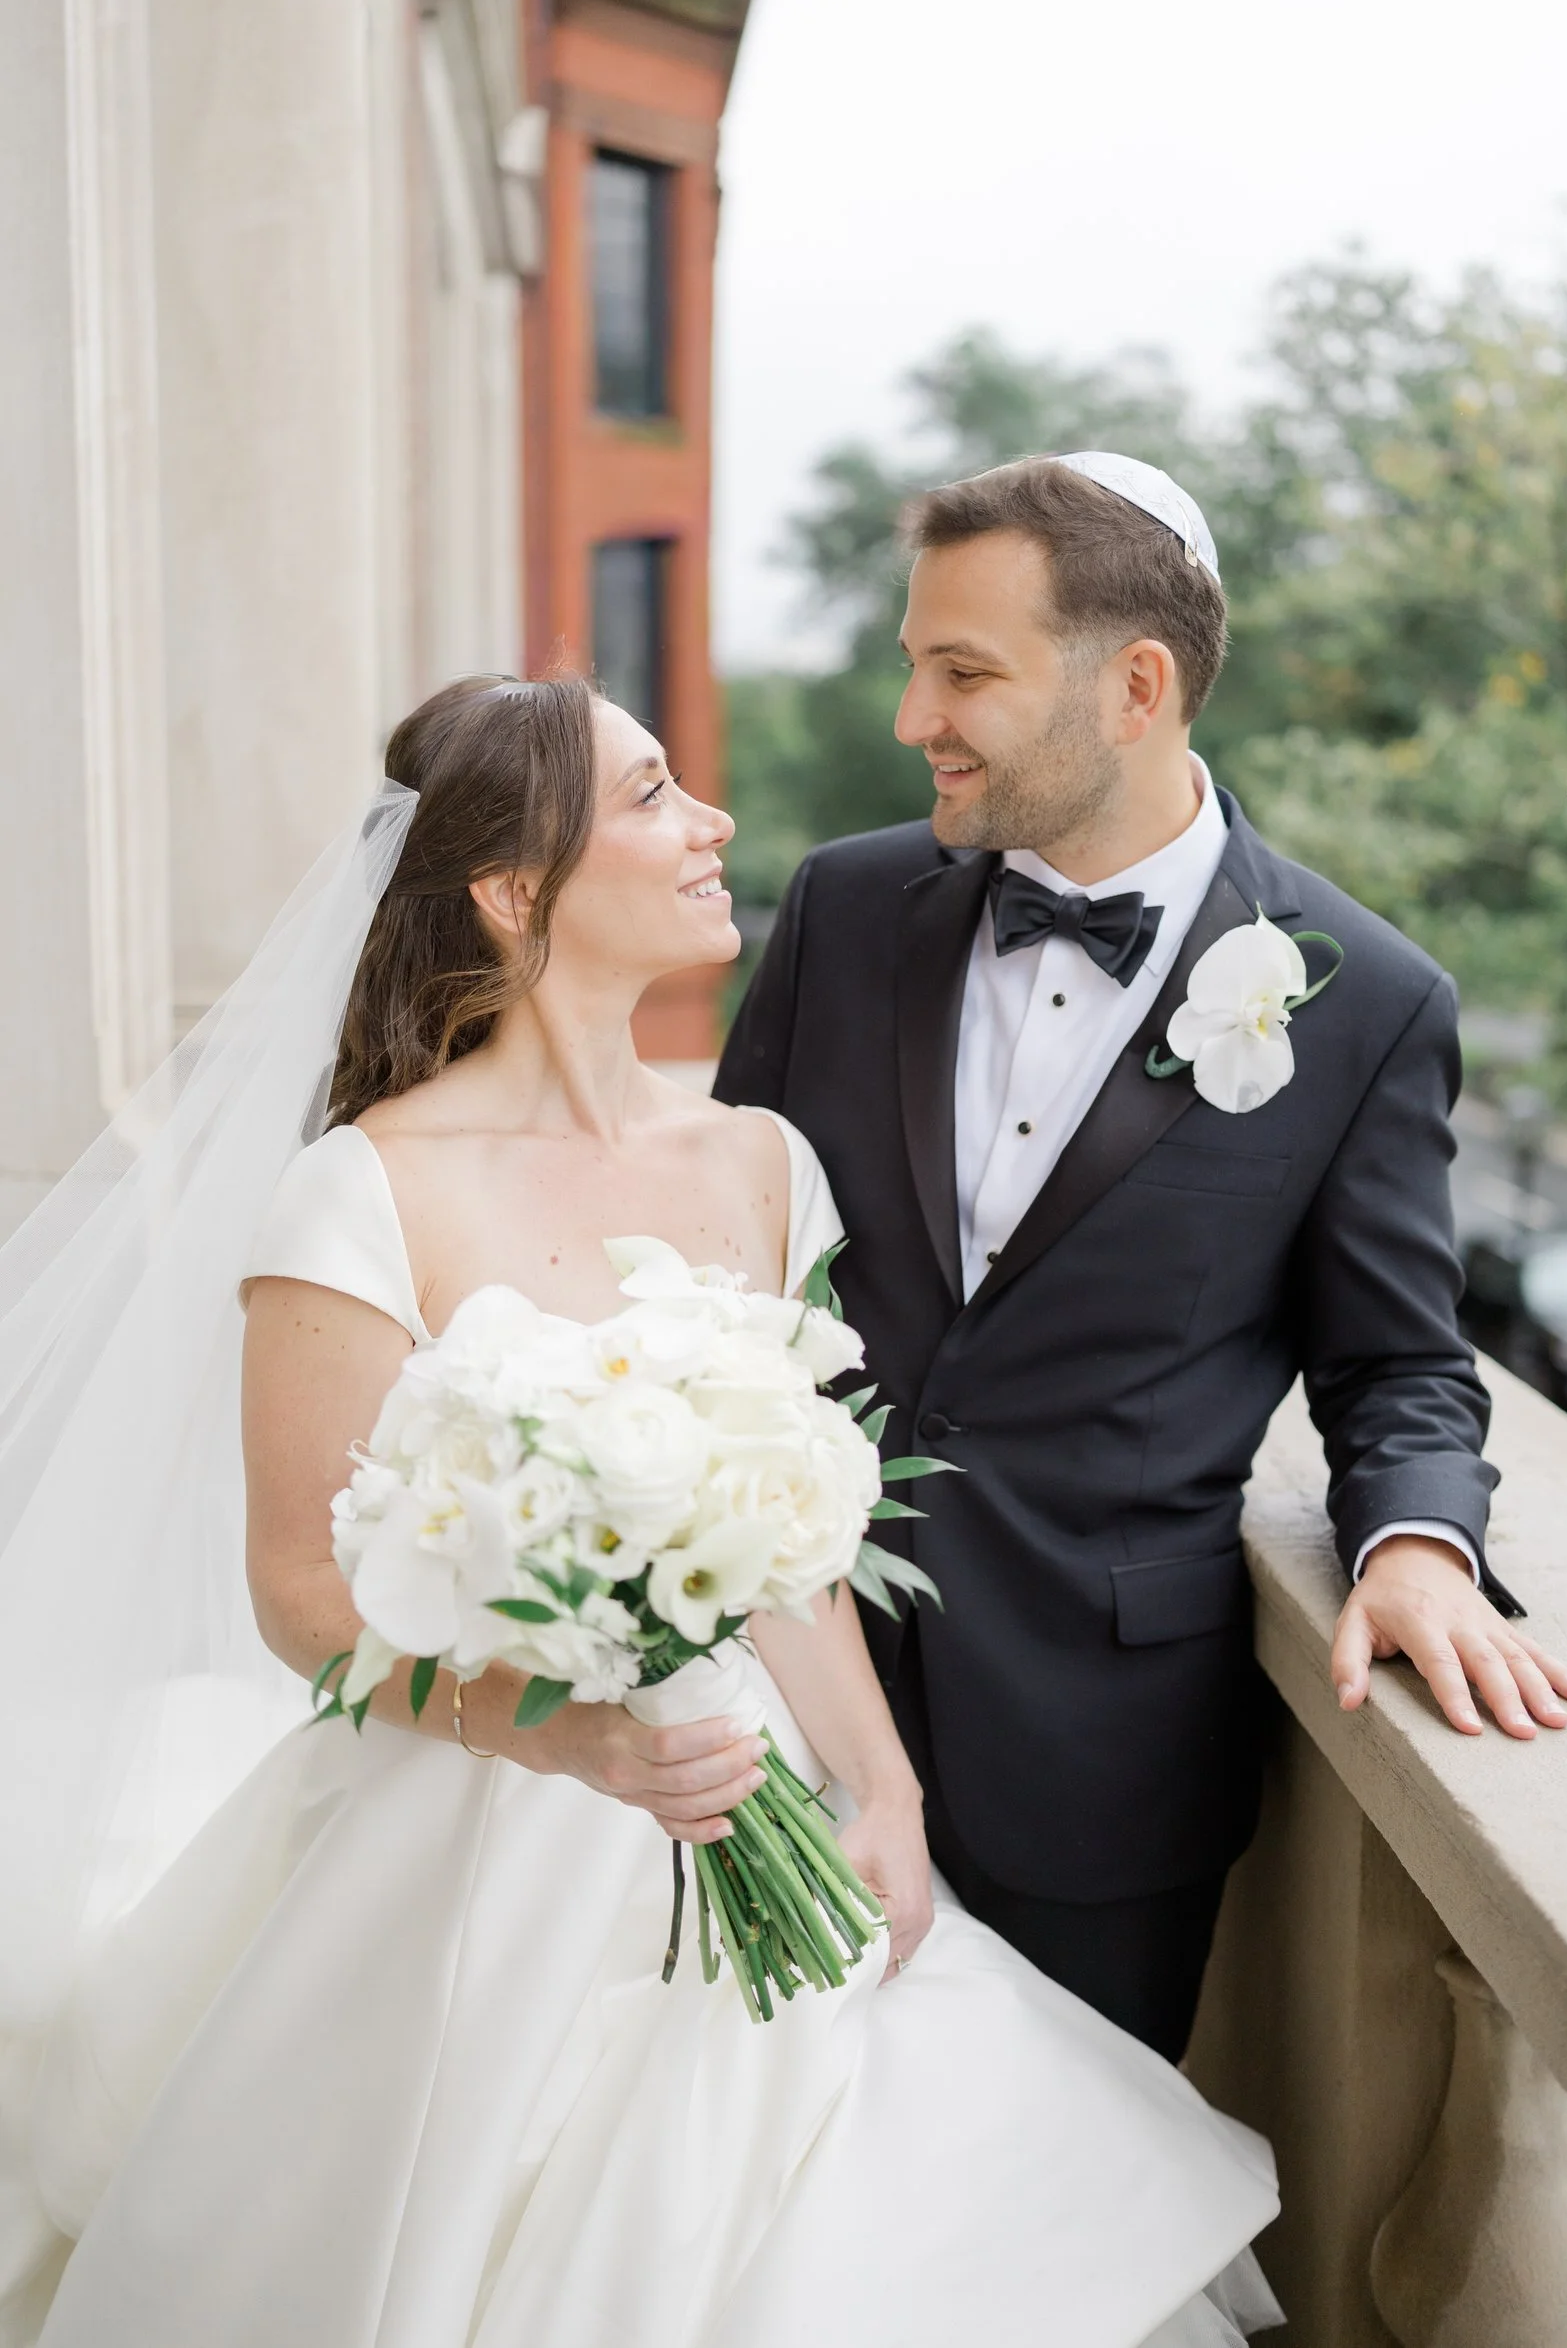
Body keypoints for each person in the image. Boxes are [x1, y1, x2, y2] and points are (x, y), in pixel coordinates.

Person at [1, 672, 1279, 2347]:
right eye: (657, 795)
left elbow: (789, 1542)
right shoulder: (361, 1188)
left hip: (759, 1787)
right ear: (515, 891)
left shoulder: (758, 1162)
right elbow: (305, 1594)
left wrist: (883, 1800)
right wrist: (563, 1740)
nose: (716, 823)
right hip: (479, 1831)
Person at [715, 452, 1567, 2063]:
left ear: (1134, 687)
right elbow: (715, 1259)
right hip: (772, 1698)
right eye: (915, 663)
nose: (916, 716)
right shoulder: (842, 910)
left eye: (962, 671)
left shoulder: (1365, 1000)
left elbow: (1396, 1362)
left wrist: (1412, 1547)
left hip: (1096, 1772)